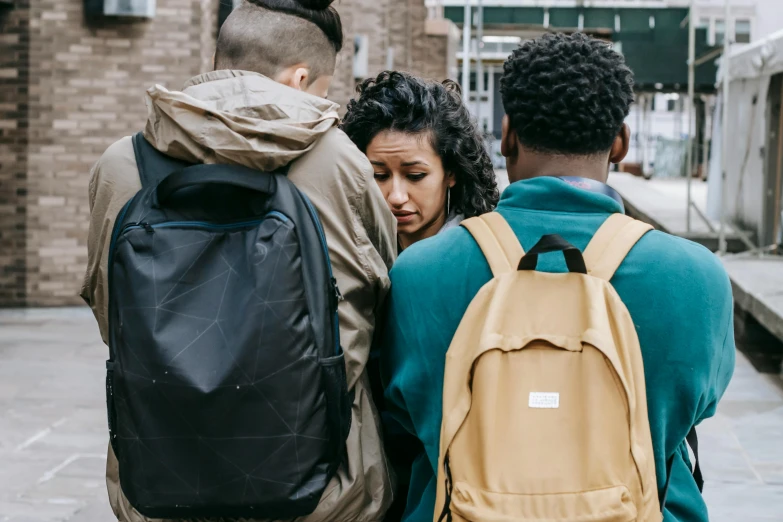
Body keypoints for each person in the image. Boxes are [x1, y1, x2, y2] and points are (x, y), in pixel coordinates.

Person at [381, 33, 735, 522]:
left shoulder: (417, 274)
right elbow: (692, 412)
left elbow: (401, 417)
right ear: (620, 143)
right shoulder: (698, 280)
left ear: (506, 135)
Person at [80, 0, 396, 520]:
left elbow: (107, 308)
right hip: (322, 487)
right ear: (299, 77)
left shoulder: (121, 164)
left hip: (163, 479)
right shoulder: (340, 162)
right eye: (322, 89)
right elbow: (380, 295)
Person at [341, 71, 499, 251]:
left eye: (415, 176)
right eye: (379, 175)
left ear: (451, 172)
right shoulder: (348, 252)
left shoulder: (482, 255)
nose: (397, 197)